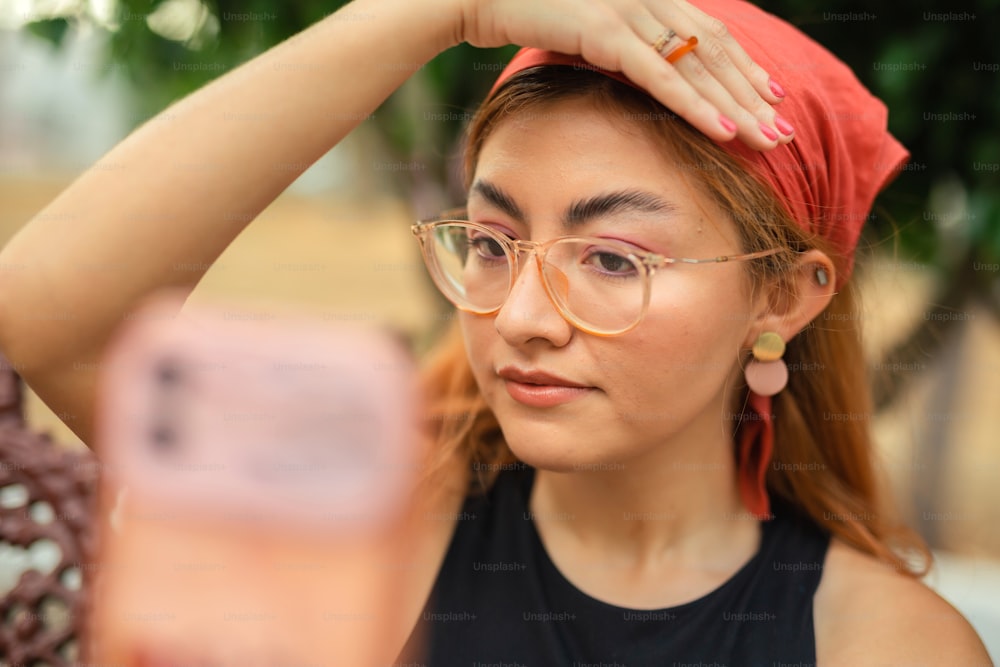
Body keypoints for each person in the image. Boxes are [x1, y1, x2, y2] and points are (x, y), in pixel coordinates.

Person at [0, 0, 990, 664]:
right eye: (490, 240)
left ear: (782, 298)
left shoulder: (883, 643)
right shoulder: (363, 529)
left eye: (613, 260)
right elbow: (52, 316)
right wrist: (439, 12)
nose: (518, 317)